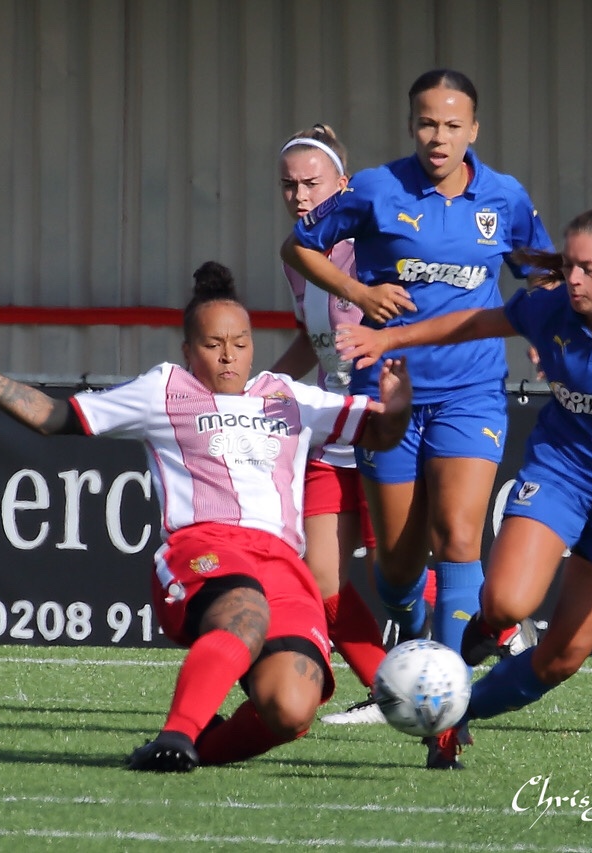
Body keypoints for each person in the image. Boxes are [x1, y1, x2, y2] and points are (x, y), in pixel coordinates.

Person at [0, 262, 412, 772]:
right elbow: (52, 416)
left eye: (240, 343)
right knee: (245, 613)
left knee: (292, 708)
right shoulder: (165, 389)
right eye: (213, 344)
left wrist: (398, 408)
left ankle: (189, 751)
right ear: (188, 352)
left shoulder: (288, 397)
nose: (228, 356)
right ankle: (176, 735)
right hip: (204, 549)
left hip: (282, 565)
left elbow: (381, 431)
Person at [337, 207, 592, 768]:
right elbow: (472, 324)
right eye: (568, 264)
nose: (573, 279)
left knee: (561, 659)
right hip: (562, 474)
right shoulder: (551, 308)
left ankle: (457, 711)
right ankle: (487, 633)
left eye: (587, 268)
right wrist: (388, 338)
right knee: (506, 601)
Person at [280, 69, 551, 764]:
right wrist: (355, 292)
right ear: (411, 125)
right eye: (428, 123)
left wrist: (550, 337)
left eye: (453, 125)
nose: (439, 136)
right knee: (398, 568)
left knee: (458, 535)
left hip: (473, 392)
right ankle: (415, 624)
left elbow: (541, 276)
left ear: (474, 130)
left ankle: (448, 716)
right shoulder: (376, 189)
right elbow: (298, 246)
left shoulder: (505, 198)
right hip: (390, 394)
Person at [270, 124, 390, 724]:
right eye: (288, 185)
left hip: (383, 429)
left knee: (397, 572)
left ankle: (496, 627)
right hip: (330, 432)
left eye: (311, 184)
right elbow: (312, 340)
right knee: (321, 581)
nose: (299, 196)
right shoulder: (298, 257)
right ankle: (392, 691)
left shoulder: (375, 246)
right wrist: (261, 387)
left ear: (342, 186)